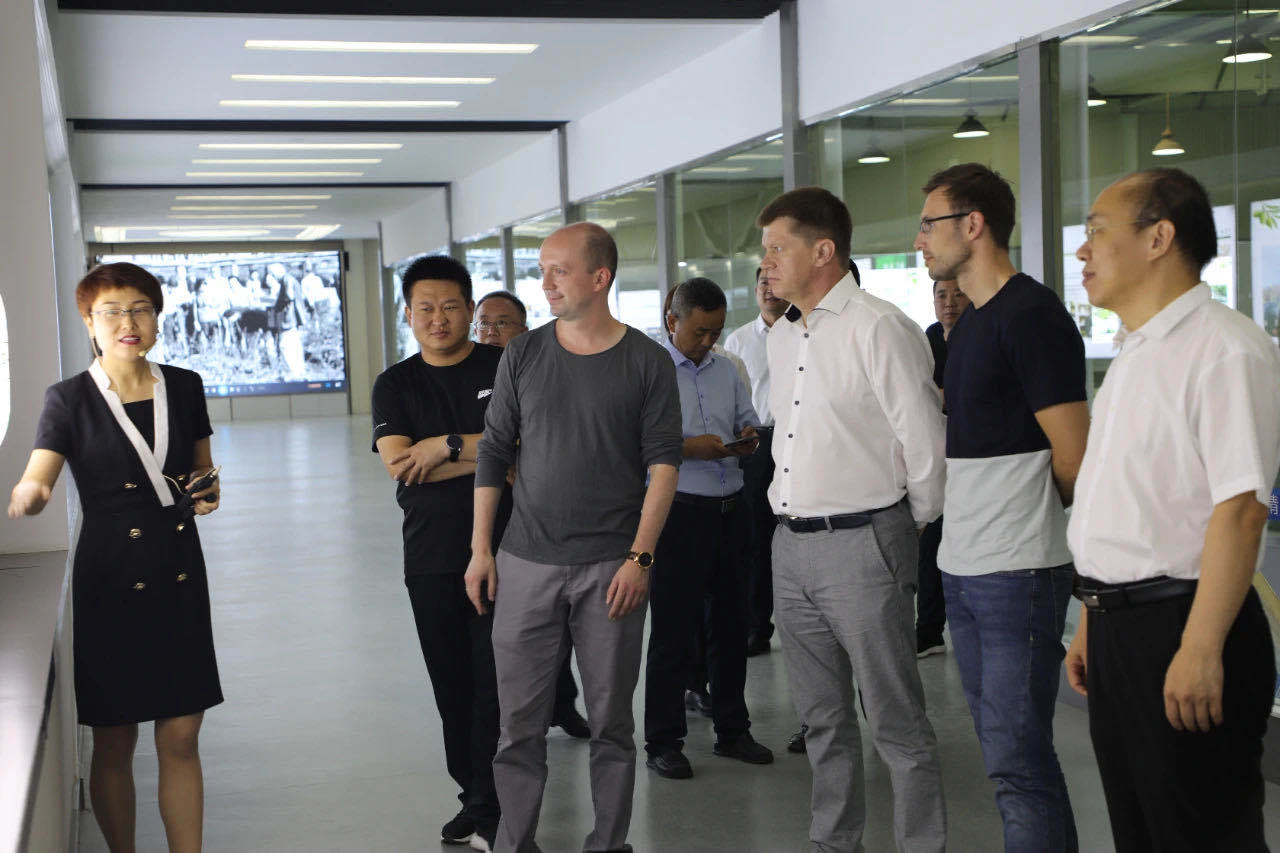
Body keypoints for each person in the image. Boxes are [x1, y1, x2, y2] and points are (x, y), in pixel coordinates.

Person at [1065, 168, 1280, 852]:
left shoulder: (1223, 349)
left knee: (1200, 833)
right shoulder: (1136, 351)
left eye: (1098, 231)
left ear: (1159, 238)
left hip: (1186, 624)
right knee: (1142, 831)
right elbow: (1132, 506)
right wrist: (1094, 616)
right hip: (1121, 628)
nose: (1082, 250)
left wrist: (1201, 646)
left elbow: (1241, 510)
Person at [465, 222, 683, 853]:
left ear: (599, 277)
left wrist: (640, 558)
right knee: (518, 725)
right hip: (525, 563)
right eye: (543, 270)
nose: (546, 283)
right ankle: (515, 843)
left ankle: (609, 843)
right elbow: (494, 451)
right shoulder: (523, 354)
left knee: (612, 723)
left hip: (611, 569)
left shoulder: (646, 361)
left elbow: (664, 465)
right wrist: (481, 549)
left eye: (558, 270)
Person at [8, 262, 223, 852]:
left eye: (140, 309)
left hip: (178, 568)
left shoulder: (185, 385)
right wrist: (30, 493)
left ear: (156, 318)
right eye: (111, 312)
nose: (128, 322)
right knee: (114, 739)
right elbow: (40, 472)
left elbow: (202, 469)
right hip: (111, 575)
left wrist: (207, 492)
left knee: (182, 734)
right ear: (89, 322)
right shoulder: (69, 398)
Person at [760, 187, 947, 852]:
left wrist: (900, 526)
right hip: (791, 545)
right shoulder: (783, 336)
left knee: (896, 720)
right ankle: (834, 841)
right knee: (822, 719)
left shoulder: (878, 326)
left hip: (866, 540)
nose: (766, 263)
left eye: (776, 248)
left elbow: (925, 443)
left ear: (823, 251)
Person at [913, 163, 1088, 851]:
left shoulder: (1032, 315)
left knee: (1018, 761)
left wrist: (1038, 519)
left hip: (1019, 570)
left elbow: (1075, 455)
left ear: (973, 225)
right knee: (1008, 759)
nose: (920, 239)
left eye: (929, 224)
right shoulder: (970, 324)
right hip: (964, 566)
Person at [370, 255, 506, 852]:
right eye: (425, 308)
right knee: (451, 685)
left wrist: (445, 445)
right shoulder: (395, 384)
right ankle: (472, 797)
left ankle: (493, 803)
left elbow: (525, 445)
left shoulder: (503, 367)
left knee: (495, 684)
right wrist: (489, 455)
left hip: (505, 548)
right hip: (429, 554)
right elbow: (400, 465)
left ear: (470, 310)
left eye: (450, 306)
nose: (438, 318)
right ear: (408, 314)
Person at [644, 276, 773, 780]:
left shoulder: (728, 366)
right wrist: (687, 447)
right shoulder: (649, 371)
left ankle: (732, 729)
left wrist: (746, 435)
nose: (707, 341)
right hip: (678, 513)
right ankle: (663, 740)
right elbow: (634, 441)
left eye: (715, 331)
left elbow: (747, 418)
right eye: (698, 331)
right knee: (673, 631)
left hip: (731, 510)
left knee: (731, 626)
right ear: (671, 321)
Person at [469, 289, 591, 741]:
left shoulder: (538, 367)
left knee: (556, 617)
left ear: (523, 330)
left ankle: (561, 703)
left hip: (540, 514)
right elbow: (490, 445)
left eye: (502, 323)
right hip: (485, 513)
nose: (490, 332)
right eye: (483, 323)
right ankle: (515, 719)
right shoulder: (470, 373)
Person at [723, 267, 788, 659]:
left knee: (796, 532)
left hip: (798, 439)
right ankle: (757, 626)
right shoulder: (739, 340)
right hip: (757, 442)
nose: (768, 289)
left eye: (774, 281)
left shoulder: (801, 331)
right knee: (756, 538)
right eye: (762, 282)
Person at [915, 278, 971, 659]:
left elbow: (965, 395)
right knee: (930, 546)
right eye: (941, 295)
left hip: (973, 458)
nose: (949, 301)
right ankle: (930, 631)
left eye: (957, 293)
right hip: (937, 455)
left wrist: (940, 396)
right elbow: (920, 395)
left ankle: (966, 624)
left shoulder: (978, 335)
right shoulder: (929, 338)